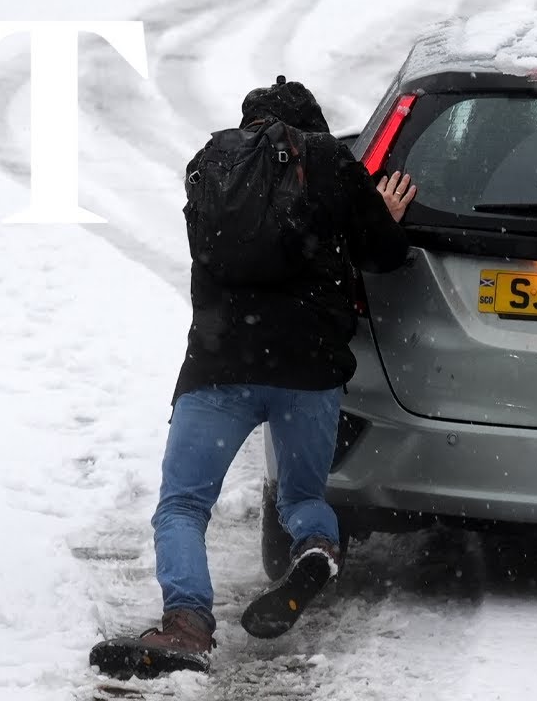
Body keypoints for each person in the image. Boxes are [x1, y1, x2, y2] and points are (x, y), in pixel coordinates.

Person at [90, 77, 417, 678]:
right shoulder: (331, 162)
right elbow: (386, 255)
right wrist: (381, 216)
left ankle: (186, 625)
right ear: (312, 126)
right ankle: (315, 548)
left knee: (183, 506)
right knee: (300, 497)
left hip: (220, 366)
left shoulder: (211, 166)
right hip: (308, 369)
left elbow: (217, 251)